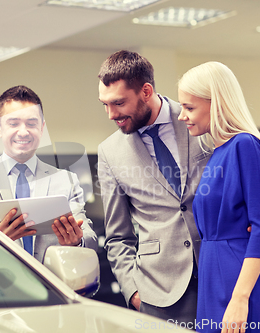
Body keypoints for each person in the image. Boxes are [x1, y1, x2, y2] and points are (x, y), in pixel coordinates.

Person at [97, 50, 211, 325]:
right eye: (105, 104)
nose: (111, 114)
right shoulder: (109, 152)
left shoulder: (198, 118)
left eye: (119, 103)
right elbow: (117, 236)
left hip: (220, 273)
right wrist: (133, 291)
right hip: (159, 294)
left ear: (146, 91)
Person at [177, 61, 260, 333]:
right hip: (213, 281)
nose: (182, 116)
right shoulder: (218, 153)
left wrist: (239, 299)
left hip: (240, 286)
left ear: (217, 104)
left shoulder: (245, 146)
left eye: (189, 107)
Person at [0, 85, 98, 267]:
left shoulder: (66, 180)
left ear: (42, 128)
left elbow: (91, 240)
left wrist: (77, 242)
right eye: (13, 123)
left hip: (55, 290)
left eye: (31, 123)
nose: (23, 132)